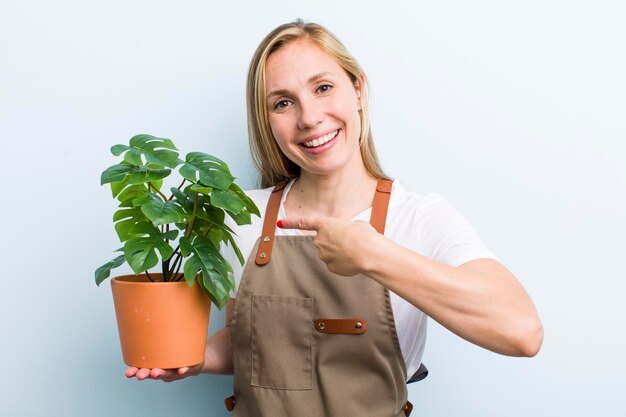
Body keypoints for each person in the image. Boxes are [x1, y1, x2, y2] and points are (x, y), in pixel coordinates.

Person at [126, 19, 543, 416]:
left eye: (323, 87)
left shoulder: (418, 219)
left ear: (358, 90)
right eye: (283, 102)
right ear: (268, 122)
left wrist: (376, 256)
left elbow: (521, 332)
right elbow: (243, 342)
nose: (309, 118)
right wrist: (193, 360)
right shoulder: (244, 217)